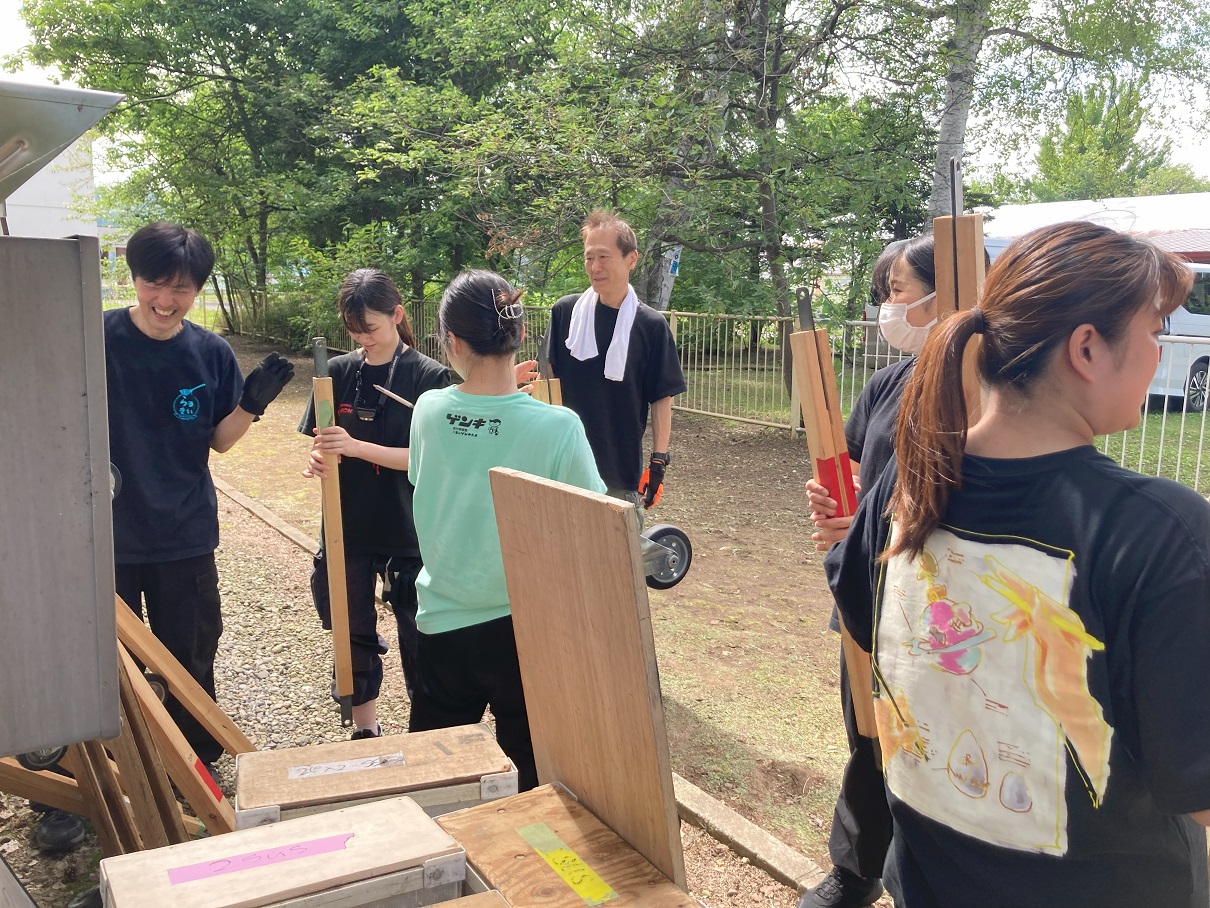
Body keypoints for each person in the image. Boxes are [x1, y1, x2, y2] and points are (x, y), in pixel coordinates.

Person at [826, 221, 1210, 907]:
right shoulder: (1157, 531)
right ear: (1087, 348)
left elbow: (864, 619)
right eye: (1154, 331)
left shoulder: (907, 485)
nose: (1159, 352)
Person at [407, 269, 605, 790]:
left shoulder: (429, 410)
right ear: (519, 334)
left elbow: (429, 473)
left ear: (452, 341)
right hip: (527, 624)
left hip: (444, 618)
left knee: (436, 777)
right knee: (534, 777)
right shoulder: (558, 425)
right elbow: (596, 523)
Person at [105, 223, 294, 763]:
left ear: (198, 289)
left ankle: (193, 761)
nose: (165, 301)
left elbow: (220, 441)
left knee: (190, 653)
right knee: (106, 661)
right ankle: (114, 767)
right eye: (154, 284)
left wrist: (251, 404)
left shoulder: (210, 352)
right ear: (134, 278)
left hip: (183, 531)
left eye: (181, 289)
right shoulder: (95, 338)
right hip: (106, 533)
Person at [798, 235, 930, 908]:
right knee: (867, 731)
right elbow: (854, 469)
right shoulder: (888, 381)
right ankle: (857, 871)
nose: (887, 307)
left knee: (923, 739)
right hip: (865, 584)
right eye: (883, 294)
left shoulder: (981, 389)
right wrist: (836, 504)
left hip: (929, 595)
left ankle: (920, 878)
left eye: (897, 291)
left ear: (946, 291)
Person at [300, 269, 451, 738]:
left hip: (410, 526)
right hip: (349, 523)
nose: (363, 339)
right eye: (355, 331)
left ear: (397, 315)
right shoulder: (337, 373)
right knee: (351, 629)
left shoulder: (429, 377)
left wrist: (357, 447)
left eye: (371, 328)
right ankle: (365, 728)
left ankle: (427, 732)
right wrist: (319, 459)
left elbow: (430, 460)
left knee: (421, 633)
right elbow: (322, 444)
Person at [545, 210, 686, 512]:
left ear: (631, 259)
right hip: (562, 466)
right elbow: (547, 381)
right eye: (589, 258)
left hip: (617, 473)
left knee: (619, 545)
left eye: (603, 257)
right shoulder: (565, 313)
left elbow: (661, 397)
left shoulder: (650, 325)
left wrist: (659, 462)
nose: (594, 267)